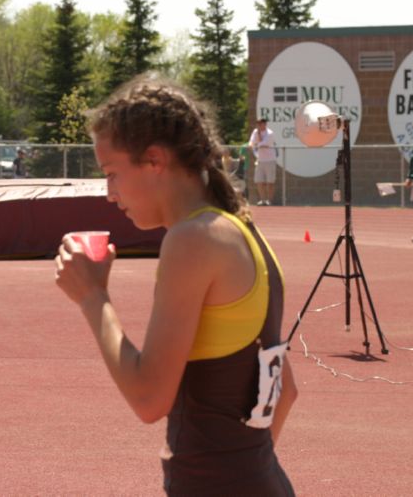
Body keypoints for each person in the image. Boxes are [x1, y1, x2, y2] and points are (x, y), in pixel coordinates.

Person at [54, 74, 297, 495]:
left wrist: (92, 296)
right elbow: (286, 391)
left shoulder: (192, 239)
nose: (109, 193)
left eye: (112, 173)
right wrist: (243, 469)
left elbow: (149, 400)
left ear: (154, 159)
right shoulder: (242, 232)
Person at [249, 118, 277, 205]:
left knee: (270, 182)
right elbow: (251, 143)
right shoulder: (255, 132)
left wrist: (257, 143)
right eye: (258, 124)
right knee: (259, 181)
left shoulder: (270, 133)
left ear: (265, 124)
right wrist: (254, 144)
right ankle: (263, 200)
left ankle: (269, 200)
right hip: (260, 160)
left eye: (261, 124)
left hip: (270, 160)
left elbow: (263, 144)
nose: (259, 126)